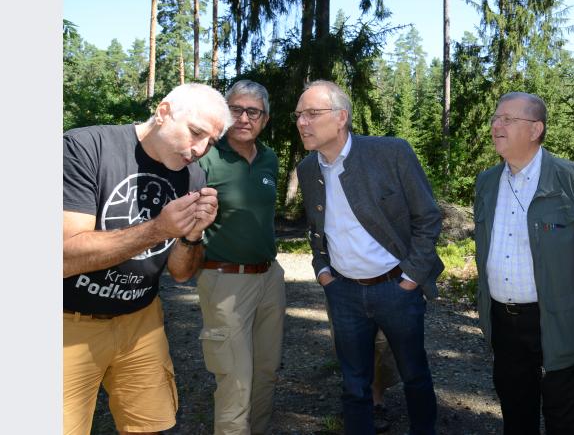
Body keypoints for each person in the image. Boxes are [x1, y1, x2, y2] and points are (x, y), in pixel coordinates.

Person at [63, 83, 232, 435]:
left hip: (142, 320)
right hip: (68, 322)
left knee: (149, 426)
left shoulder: (192, 176)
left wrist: (192, 234)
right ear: (163, 112)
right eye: (195, 132)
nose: (200, 149)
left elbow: (181, 273)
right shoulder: (85, 148)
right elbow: (63, 256)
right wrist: (158, 229)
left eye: (211, 142)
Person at [295, 80, 443, 435]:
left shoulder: (390, 153)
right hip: (343, 292)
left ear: (341, 117)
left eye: (312, 113)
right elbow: (316, 228)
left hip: (396, 288)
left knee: (414, 375)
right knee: (353, 384)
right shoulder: (308, 169)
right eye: (298, 114)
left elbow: (427, 216)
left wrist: (411, 277)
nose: (302, 122)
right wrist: (323, 272)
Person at [473, 92, 574, 435]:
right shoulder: (486, 182)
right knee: (516, 416)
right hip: (504, 323)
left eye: (507, 119)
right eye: (495, 118)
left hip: (564, 322)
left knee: (566, 420)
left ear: (535, 130)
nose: (496, 125)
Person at [196, 79, 286, 435]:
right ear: (225, 113)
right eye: (236, 110)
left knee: (266, 372)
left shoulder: (269, 159)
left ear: (265, 119)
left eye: (254, 112)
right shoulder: (205, 157)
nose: (244, 118)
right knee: (235, 382)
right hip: (224, 281)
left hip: (270, 278)